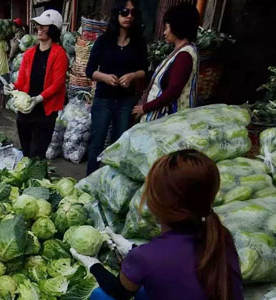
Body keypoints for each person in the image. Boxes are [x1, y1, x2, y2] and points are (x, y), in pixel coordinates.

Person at [71, 149, 244, 300]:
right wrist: (131, 248)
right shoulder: (221, 236)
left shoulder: (146, 257)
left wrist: (93, 265)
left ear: (158, 202)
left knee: (100, 296)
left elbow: (120, 292)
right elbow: (177, 264)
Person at [85, 0, 148, 175]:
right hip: (103, 99)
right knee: (97, 141)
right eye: (124, 12)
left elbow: (145, 70)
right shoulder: (103, 41)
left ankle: (110, 181)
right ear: (116, 14)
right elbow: (89, 71)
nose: (129, 16)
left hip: (126, 101)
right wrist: (105, 77)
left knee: (119, 142)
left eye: (133, 13)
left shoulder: (139, 43)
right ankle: (89, 180)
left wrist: (133, 75)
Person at [12, 9, 68, 158]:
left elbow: (58, 84)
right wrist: (12, 87)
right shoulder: (29, 53)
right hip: (26, 110)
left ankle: (37, 177)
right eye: (38, 25)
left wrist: (39, 98)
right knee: (26, 152)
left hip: (45, 112)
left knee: (37, 153)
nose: (39, 28)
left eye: (44, 26)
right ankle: (30, 179)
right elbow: (21, 81)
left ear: (53, 29)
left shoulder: (59, 54)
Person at [133, 4, 199, 122]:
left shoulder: (184, 55)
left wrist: (145, 108)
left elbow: (173, 91)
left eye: (167, 28)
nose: (164, 32)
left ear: (177, 27)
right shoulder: (182, 51)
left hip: (169, 119)